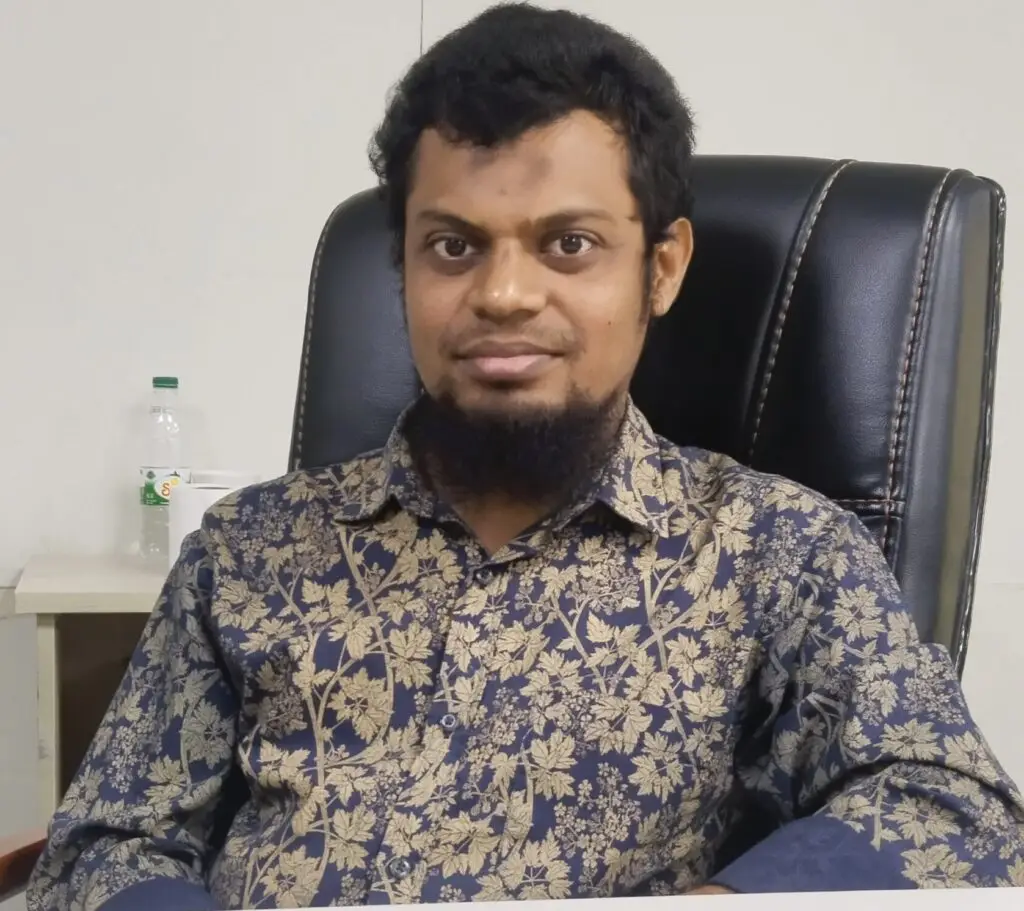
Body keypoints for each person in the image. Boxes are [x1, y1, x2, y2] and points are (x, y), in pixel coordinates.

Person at [28, 3, 1024, 909]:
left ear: (661, 266)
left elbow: (954, 807)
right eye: (454, 246)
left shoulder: (781, 551)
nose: (503, 293)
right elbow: (105, 847)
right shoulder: (246, 552)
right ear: (404, 266)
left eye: (569, 244)